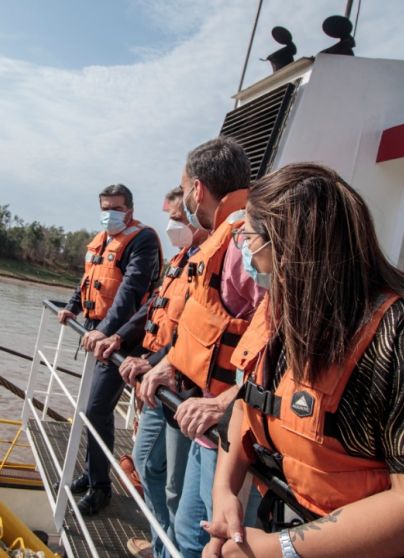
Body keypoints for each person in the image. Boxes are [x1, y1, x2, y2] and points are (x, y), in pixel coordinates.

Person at [203, 163, 404, 557]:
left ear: (283, 244)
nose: (244, 248)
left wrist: (277, 550)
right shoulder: (281, 315)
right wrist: (225, 493)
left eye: (248, 235)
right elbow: (248, 406)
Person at [137, 138, 265, 558]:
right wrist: (168, 364)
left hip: (233, 435)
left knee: (222, 545)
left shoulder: (249, 245)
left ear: (197, 190)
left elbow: (282, 344)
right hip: (206, 428)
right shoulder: (221, 240)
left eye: (184, 187)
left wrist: (226, 400)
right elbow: (201, 322)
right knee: (190, 538)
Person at [93, 186, 206, 557]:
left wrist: (154, 362)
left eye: (175, 217)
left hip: (182, 388)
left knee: (176, 485)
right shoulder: (180, 258)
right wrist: (118, 337)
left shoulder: (206, 263)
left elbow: (195, 330)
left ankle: (168, 549)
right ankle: (162, 543)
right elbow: (152, 307)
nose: (170, 225)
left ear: (194, 214)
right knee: (144, 462)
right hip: (158, 382)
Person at [60, 183, 162, 516]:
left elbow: (130, 292)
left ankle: (100, 487)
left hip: (121, 338)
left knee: (96, 409)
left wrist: (107, 332)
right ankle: (91, 472)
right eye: (105, 208)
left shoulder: (142, 240)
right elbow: (88, 277)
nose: (109, 214)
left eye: (116, 208)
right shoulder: (103, 240)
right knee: (91, 408)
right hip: (94, 331)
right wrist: (73, 307)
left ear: (129, 209)